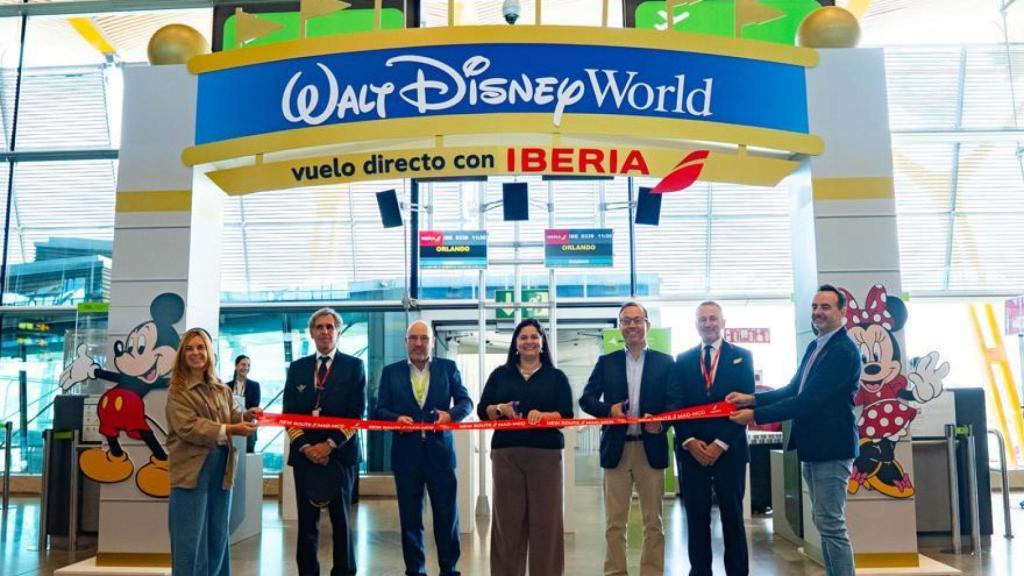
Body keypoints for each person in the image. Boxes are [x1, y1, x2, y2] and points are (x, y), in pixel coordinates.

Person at [727, 285, 861, 576]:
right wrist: (753, 398)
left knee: (831, 524)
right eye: (814, 307)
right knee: (824, 521)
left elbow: (806, 401)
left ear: (842, 311)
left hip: (832, 449)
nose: (818, 313)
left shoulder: (842, 351)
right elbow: (792, 388)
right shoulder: (817, 345)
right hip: (814, 448)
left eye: (825, 307)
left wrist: (755, 415)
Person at [579, 302, 673, 576]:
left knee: (653, 523)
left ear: (647, 324)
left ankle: (652, 572)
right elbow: (586, 399)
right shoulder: (606, 363)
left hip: (650, 449)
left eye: (636, 320)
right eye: (625, 321)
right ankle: (615, 572)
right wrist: (609, 410)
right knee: (614, 523)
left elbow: (675, 401)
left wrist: (662, 422)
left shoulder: (665, 362)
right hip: (616, 451)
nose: (631, 325)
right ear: (620, 327)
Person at [373, 320, 473, 576]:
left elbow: (466, 402)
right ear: (405, 342)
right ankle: (414, 570)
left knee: (446, 516)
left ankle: (449, 569)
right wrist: (395, 419)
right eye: (413, 338)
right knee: (410, 518)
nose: (419, 344)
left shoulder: (448, 369)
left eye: (424, 338)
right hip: (406, 456)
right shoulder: (391, 372)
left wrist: (449, 417)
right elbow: (379, 409)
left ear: (431, 342)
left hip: (440, 454)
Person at [478, 319, 574, 576]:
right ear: (516, 344)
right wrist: (500, 409)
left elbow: (566, 414)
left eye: (534, 336)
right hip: (507, 456)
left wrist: (544, 416)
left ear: (542, 343)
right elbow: (482, 411)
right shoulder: (500, 374)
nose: (529, 341)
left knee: (547, 524)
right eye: (523, 337)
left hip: (546, 457)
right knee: (507, 525)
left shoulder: (556, 377)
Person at [670, 302, 755, 576]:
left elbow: (745, 406)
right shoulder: (682, 360)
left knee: (733, 518)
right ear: (696, 325)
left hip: (729, 451)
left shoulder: (742, 356)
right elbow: (676, 405)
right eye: (702, 319)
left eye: (713, 318)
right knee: (696, 519)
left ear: (723, 322)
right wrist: (690, 441)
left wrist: (720, 444)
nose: (708, 323)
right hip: (691, 452)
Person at [166, 328, 259, 576]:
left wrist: (246, 416)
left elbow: (232, 416)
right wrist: (231, 428)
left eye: (200, 347)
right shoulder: (177, 390)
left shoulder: (222, 390)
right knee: (189, 539)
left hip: (222, 468)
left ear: (209, 352)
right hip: (190, 471)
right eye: (189, 348)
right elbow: (188, 427)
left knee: (218, 536)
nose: (196, 353)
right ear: (182, 354)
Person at [284, 308, 366, 576]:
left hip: (340, 455)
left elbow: (356, 414)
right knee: (307, 523)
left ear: (338, 331)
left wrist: (329, 445)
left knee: (341, 521)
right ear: (311, 332)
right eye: (319, 327)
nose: (325, 332)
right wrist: (307, 447)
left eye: (330, 327)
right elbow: (288, 414)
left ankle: (344, 571)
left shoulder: (354, 367)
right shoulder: (297, 369)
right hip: (305, 455)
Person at [227, 354, 261, 453]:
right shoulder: (226, 386)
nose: (246, 368)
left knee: (248, 456)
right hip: (231, 425)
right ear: (236, 366)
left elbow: (255, 407)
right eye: (243, 364)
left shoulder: (254, 386)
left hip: (248, 426)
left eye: (248, 365)